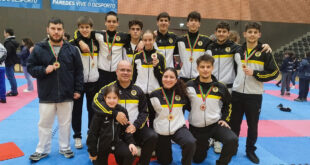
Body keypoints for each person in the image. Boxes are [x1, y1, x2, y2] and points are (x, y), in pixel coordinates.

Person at [27, 17, 84, 162]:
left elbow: (79, 71)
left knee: (65, 123)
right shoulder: (39, 48)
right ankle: (42, 150)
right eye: (53, 28)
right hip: (47, 93)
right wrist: (44, 70)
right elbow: (30, 68)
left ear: (63, 31)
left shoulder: (72, 49)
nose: (56, 32)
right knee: (44, 124)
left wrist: (78, 89)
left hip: (67, 93)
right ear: (48, 30)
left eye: (59, 29)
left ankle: (64, 147)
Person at [230, 22, 279, 164]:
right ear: (244, 34)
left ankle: (250, 150)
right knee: (234, 123)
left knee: (252, 125)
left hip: (254, 95)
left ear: (259, 35)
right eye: (249, 32)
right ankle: (233, 147)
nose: (252, 34)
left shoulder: (265, 51)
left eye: (255, 32)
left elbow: (274, 72)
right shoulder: (238, 50)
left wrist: (255, 73)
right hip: (237, 92)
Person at [92, 60, 158, 165]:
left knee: (152, 136)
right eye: (122, 70)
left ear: (132, 72)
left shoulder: (138, 91)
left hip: (134, 129)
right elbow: (95, 102)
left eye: (128, 70)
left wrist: (135, 126)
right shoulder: (109, 88)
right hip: (115, 130)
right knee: (123, 157)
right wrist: (114, 114)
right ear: (116, 72)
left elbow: (144, 112)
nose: (125, 73)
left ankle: (142, 162)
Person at [186, 54, 238, 165]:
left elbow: (228, 104)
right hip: (197, 127)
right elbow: (182, 104)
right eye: (202, 67)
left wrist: (225, 119)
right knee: (197, 159)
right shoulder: (189, 85)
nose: (205, 70)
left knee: (232, 139)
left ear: (212, 68)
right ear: (197, 68)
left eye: (208, 67)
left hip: (215, 124)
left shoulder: (220, 87)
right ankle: (207, 142)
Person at [150, 67, 196, 165]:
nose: (168, 79)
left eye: (172, 77)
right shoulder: (154, 95)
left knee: (190, 142)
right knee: (165, 162)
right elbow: (151, 115)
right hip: (161, 130)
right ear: (162, 78)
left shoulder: (181, 92)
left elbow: (190, 108)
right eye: (166, 76)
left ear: (176, 79)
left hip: (178, 128)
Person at [75, 11, 134, 88]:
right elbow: (78, 32)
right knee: (102, 96)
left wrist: (142, 41)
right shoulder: (98, 34)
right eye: (109, 21)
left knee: (115, 96)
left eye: (114, 21)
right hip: (101, 73)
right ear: (105, 23)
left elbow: (136, 36)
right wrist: (80, 42)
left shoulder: (123, 37)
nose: (111, 24)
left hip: (116, 73)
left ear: (117, 23)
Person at [87, 85, 137, 165]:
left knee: (131, 153)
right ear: (104, 98)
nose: (111, 101)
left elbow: (126, 129)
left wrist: (131, 143)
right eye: (109, 98)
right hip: (102, 146)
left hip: (116, 143)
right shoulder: (100, 113)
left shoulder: (122, 111)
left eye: (114, 98)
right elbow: (93, 133)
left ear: (118, 99)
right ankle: (94, 160)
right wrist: (92, 151)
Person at [70, 16, 100, 149]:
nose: (84, 29)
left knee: (92, 110)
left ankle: (90, 133)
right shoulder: (73, 43)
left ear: (91, 28)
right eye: (81, 27)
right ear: (78, 28)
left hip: (93, 81)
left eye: (87, 27)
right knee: (76, 110)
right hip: (78, 83)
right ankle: (77, 136)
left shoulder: (97, 42)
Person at [132, 30, 166, 128]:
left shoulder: (160, 56)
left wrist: (156, 67)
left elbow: (162, 78)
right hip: (140, 92)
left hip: (154, 92)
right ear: (142, 41)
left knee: (153, 117)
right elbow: (133, 76)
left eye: (150, 40)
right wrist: (133, 90)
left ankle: (152, 140)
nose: (148, 42)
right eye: (145, 40)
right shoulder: (137, 56)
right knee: (140, 116)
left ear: (154, 40)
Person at [174, 11, 213, 82]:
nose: (193, 23)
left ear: (199, 24)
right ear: (187, 23)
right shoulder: (180, 40)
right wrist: (179, 71)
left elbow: (208, 60)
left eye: (196, 20)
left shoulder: (206, 41)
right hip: (183, 78)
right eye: (191, 20)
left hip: (199, 78)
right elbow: (176, 56)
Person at [3, 28, 19, 96]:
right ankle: (14, 90)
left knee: (10, 76)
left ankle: (14, 91)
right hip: (11, 61)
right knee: (11, 76)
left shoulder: (8, 42)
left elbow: (8, 53)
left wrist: (3, 58)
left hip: (9, 62)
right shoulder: (12, 41)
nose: (3, 34)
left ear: (7, 33)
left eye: (4, 32)